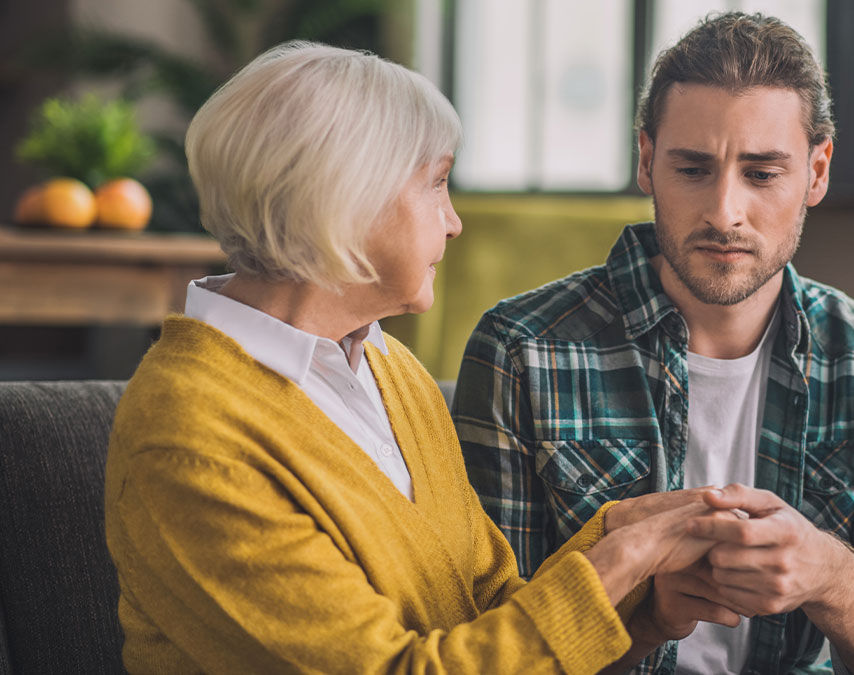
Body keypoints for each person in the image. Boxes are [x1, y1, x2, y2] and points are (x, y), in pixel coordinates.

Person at [104, 40, 738, 675]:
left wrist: (643, 600)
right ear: (344, 198)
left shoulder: (389, 369)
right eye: (436, 183)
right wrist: (617, 564)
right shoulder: (190, 434)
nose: (455, 221)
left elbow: (490, 613)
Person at [453, 12, 854, 675]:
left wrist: (828, 575)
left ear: (817, 172)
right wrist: (643, 618)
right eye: (694, 169)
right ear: (647, 161)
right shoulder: (520, 352)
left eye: (761, 174)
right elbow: (488, 643)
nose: (725, 211)